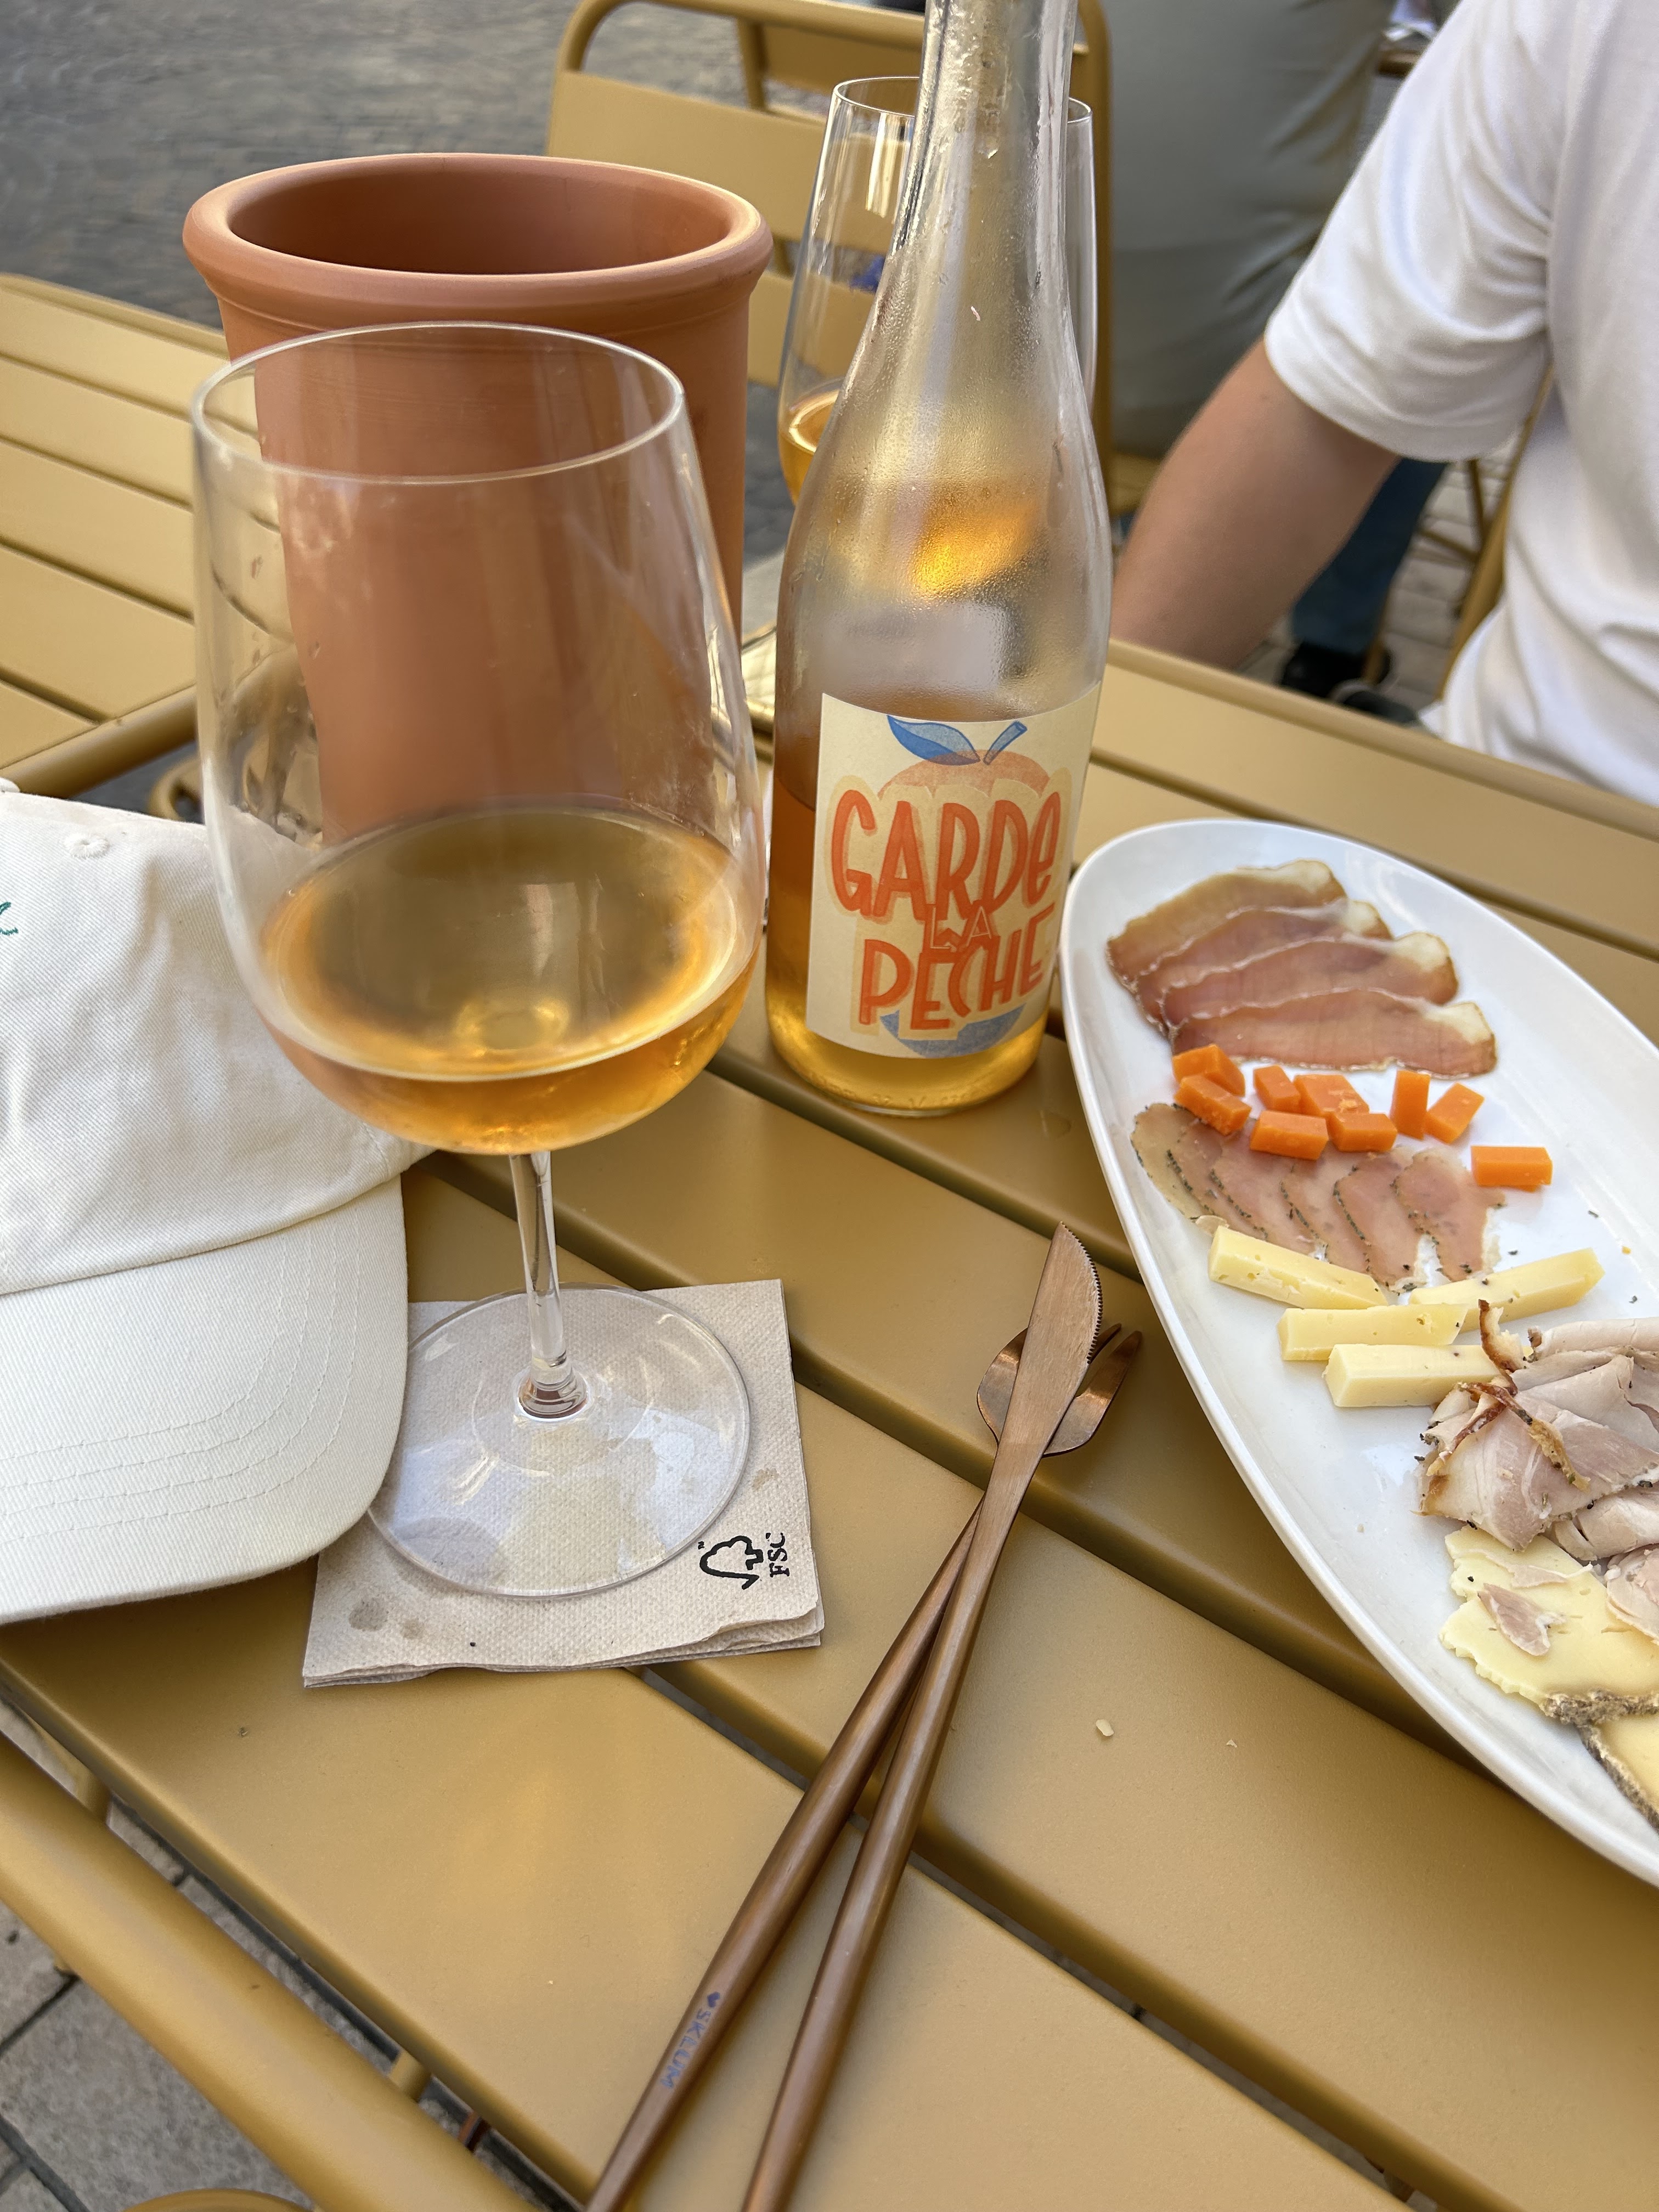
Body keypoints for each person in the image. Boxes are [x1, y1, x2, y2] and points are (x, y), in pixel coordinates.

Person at [1112, 0, 1659, 806]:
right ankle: (1333, 651)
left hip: (1068, 355)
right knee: (1413, 389)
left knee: (1415, 348)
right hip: (1220, 347)